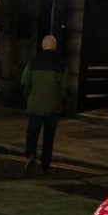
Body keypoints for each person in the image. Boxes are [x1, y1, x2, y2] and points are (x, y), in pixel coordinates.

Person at [22, 34, 67, 176]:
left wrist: (29, 98)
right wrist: (60, 100)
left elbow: (25, 83)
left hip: (35, 106)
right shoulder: (61, 65)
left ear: (42, 46)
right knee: (49, 137)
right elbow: (66, 87)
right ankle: (45, 165)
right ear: (54, 47)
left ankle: (30, 155)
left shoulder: (33, 63)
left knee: (32, 133)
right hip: (53, 108)